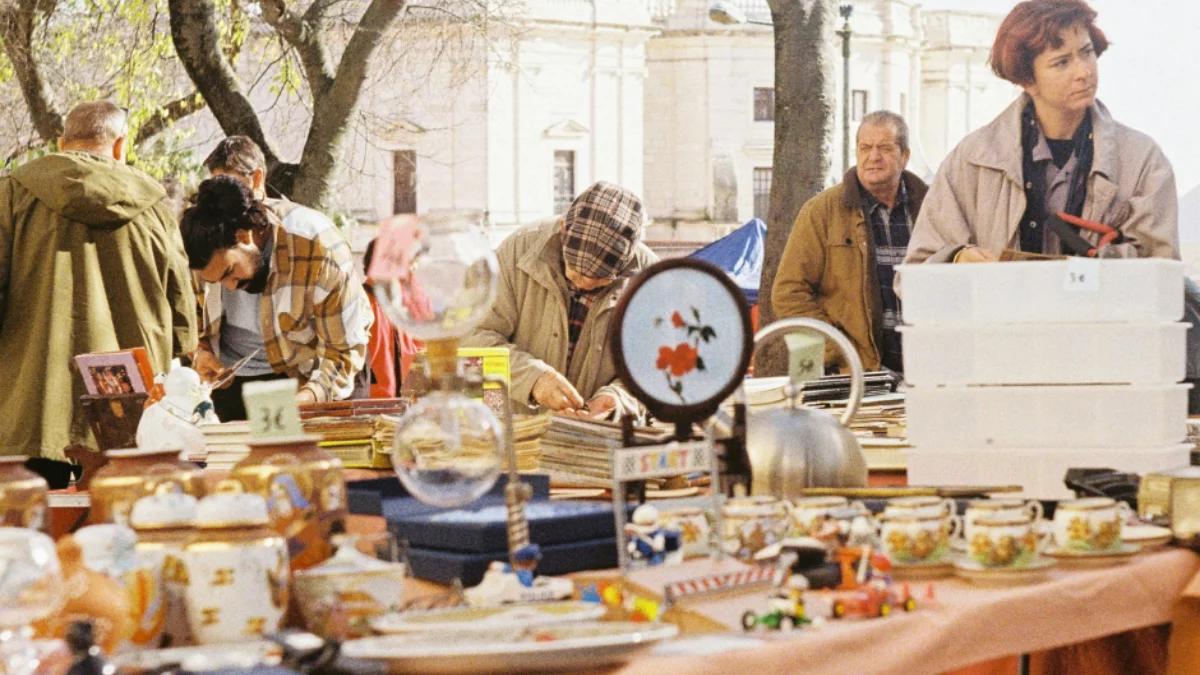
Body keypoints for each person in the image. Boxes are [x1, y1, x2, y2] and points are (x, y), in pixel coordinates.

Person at [905, 0, 1178, 266]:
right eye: (1062, 62)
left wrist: (1097, 266)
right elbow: (916, 271)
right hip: (1001, 313)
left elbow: (1163, 275)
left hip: (1101, 314)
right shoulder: (971, 160)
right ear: (1027, 80)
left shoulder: (1143, 161)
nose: (1084, 71)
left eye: (1086, 52)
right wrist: (956, 257)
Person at [0, 100, 197, 460]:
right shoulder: (155, 207)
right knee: (126, 506)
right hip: (131, 408)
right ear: (121, 145)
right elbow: (181, 309)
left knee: (37, 512)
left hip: (31, 406)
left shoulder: (12, 194)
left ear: (62, 144)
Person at [180, 175, 372, 420]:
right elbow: (192, 319)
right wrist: (202, 353)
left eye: (229, 272)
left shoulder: (319, 247)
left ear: (244, 236)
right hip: (236, 384)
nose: (229, 287)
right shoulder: (199, 249)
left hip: (315, 375)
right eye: (215, 282)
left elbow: (343, 352)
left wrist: (308, 397)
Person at [463, 181, 657, 418]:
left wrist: (617, 401)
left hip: (598, 439)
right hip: (517, 431)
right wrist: (533, 379)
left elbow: (655, 369)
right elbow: (469, 340)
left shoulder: (652, 282)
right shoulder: (515, 251)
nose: (582, 285)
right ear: (563, 229)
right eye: (574, 273)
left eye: (598, 283)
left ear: (628, 260)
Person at [772, 111, 927, 373]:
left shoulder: (931, 209)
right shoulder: (821, 211)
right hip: (851, 377)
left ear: (905, 156)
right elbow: (788, 293)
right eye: (865, 147)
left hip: (923, 372)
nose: (873, 157)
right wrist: (839, 352)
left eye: (885, 148)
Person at [362, 237, 420, 398]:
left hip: (402, 407)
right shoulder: (362, 305)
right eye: (407, 262)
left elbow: (420, 353)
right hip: (370, 411)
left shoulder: (405, 308)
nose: (414, 267)